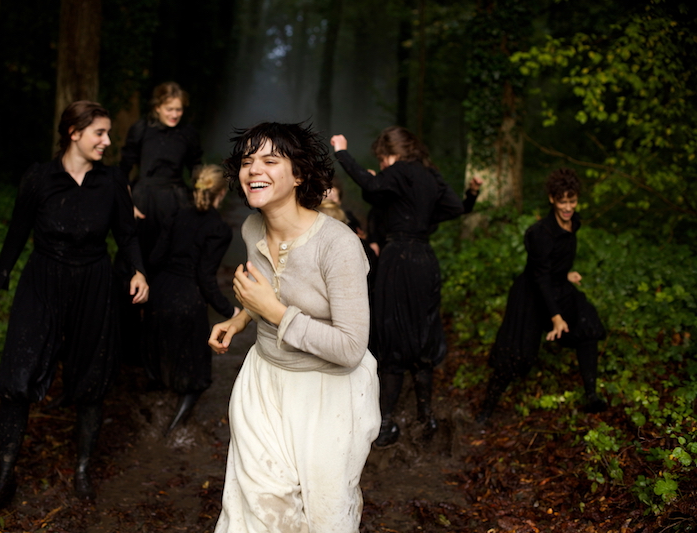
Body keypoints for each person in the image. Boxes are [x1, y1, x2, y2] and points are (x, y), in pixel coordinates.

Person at [0, 101, 149, 510]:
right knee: (17, 378)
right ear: (74, 132)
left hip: (93, 283)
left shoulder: (111, 181)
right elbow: (17, 233)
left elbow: (126, 235)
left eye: (108, 134)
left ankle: (83, 469)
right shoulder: (39, 177)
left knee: (91, 380)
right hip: (42, 281)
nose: (107, 141)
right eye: (100, 133)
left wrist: (138, 271)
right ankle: (5, 476)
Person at [209, 122, 380, 532]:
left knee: (325, 518)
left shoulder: (338, 246)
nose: (254, 170)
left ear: (299, 175)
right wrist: (240, 316)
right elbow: (272, 291)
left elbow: (351, 347)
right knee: (259, 510)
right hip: (263, 386)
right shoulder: (251, 228)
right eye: (247, 162)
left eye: (270, 160)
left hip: (329, 395)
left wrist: (273, 313)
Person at [330, 126, 464, 447]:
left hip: (398, 259)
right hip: (425, 259)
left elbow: (370, 183)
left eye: (383, 157)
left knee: (391, 333)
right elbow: (454, 207)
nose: (384, 164)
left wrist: (341, 152)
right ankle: (426, 416)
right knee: (423, 331)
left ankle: (386, 423)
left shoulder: (399, 170)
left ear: (392, 153)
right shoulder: (430, 174)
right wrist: (421, 221)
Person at [476, 168, 607, 422]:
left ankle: (591, 395)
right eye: (563, 201)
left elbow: (551, 265)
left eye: (572, 200)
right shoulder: (541, 233)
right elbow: (539, 276)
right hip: (531, 294)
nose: (568, 207)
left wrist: (566, 274)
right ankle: (486, 411)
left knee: (588, 325)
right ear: (552, 199)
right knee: (515, 355)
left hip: (557, 284)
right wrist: (556, 317)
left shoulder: (574, 222)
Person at [144, 164, 240, 434]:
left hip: (159, 295)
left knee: (162, 361)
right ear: (221, 194)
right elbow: (205, 277)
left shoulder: (176, 214)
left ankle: (153, 424)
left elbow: (155, 258)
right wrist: (229, 310)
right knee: (196, 376)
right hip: (187, 302)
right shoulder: (219, 229)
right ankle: (173, 432)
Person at [117, 81, 203, 368]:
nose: (175, 114)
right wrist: (127, 199)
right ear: (157, 107)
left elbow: (197, 167)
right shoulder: (141, 130)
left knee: (171, 268)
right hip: (143, 201)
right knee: (137, 265)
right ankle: (129, 345)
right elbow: (123, 167)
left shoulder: (187, 134)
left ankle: (165, 344)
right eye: (170, 109)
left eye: (179, 109)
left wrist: (203, 196)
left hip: (176, 202)